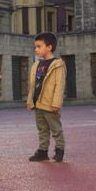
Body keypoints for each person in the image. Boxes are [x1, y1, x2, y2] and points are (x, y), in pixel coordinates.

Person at [27, 32, 67, 162]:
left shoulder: (58, 64)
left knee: (55, 128)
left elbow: (59, 85)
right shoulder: (36, 65)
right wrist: (29, 100)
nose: (36, 49)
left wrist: (56, 102)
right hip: (38, 103)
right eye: (35, 47)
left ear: (49, 47)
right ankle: (42, 151)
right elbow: (32, 85)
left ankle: (59, 149)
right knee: (42, 129)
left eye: (39, 46)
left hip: (50, 104)